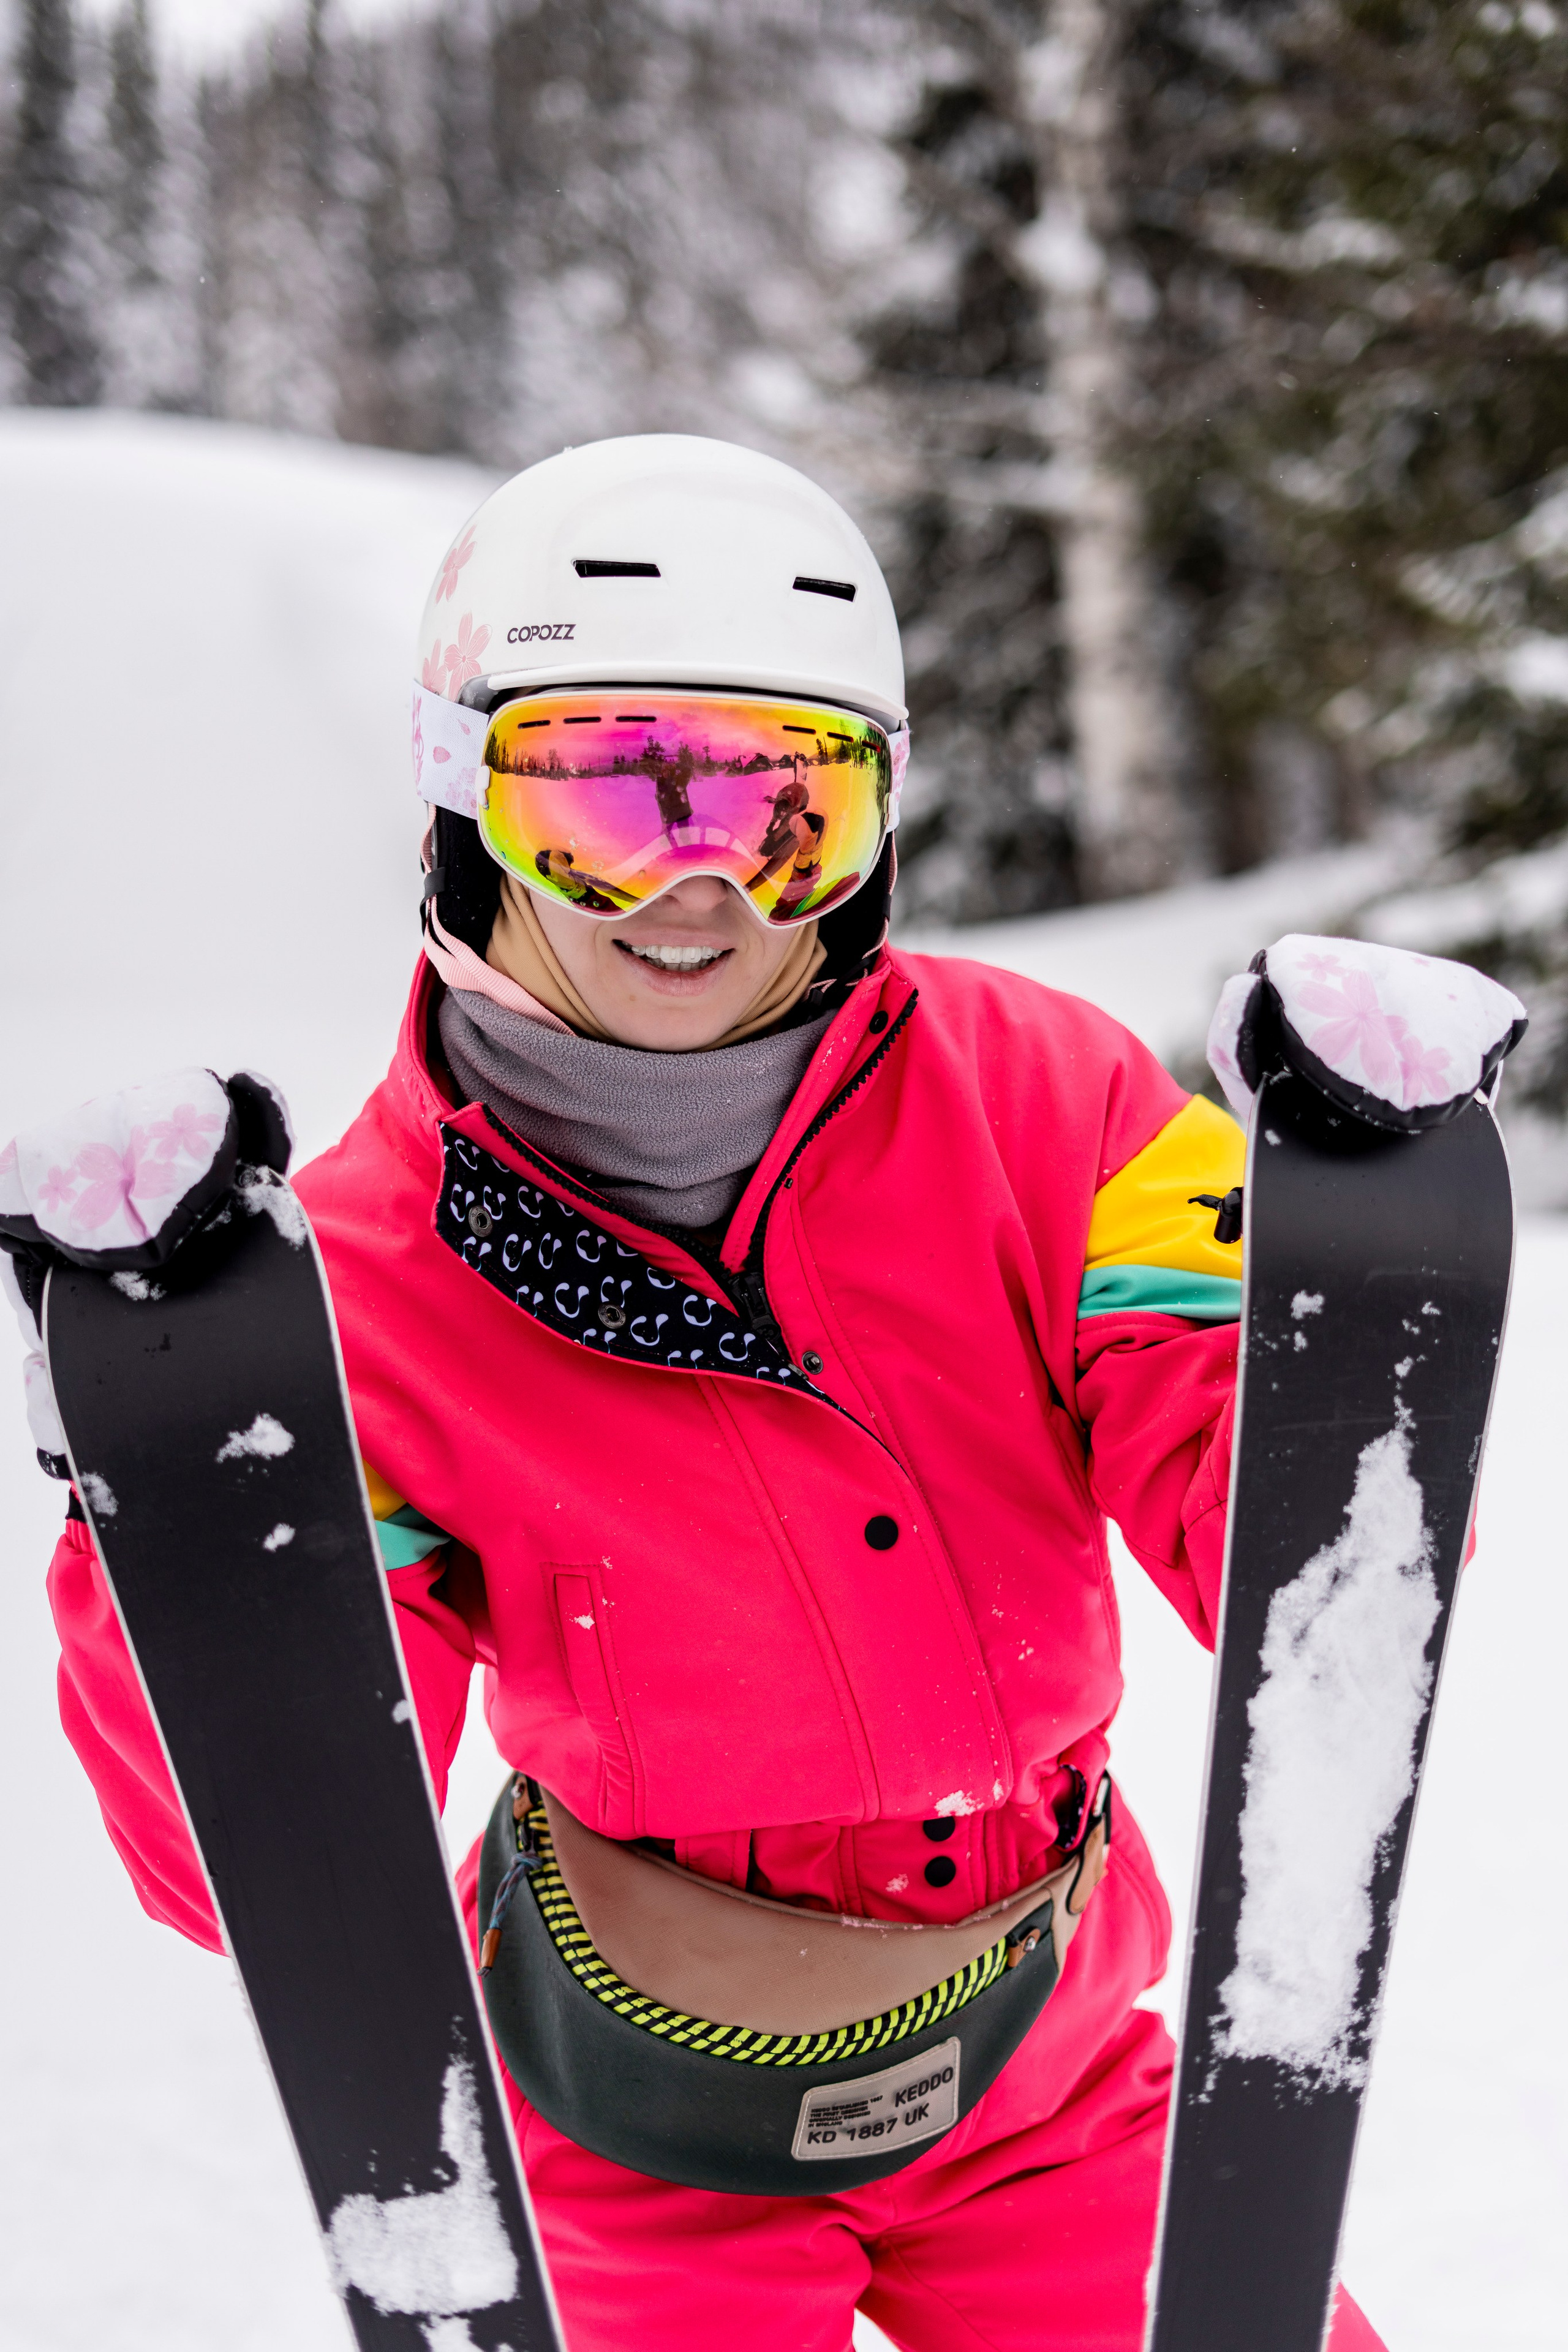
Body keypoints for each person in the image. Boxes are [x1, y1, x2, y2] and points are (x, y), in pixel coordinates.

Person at [10, 432, 1521, 2352]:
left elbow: (1291, 1573)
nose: (700, 885)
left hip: (1050, 2077)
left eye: (784, 808)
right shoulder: (369, 1282)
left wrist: (1346, 1305)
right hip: (638, 2136)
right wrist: (174, 1512)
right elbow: (272, 1864)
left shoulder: (1048, 1101)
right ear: (464, 796)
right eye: (606, 806)